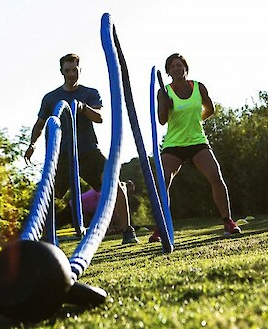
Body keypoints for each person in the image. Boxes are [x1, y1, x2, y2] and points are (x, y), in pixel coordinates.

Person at [24, 53, 137, 244]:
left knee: (114, 185)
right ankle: (40, 239)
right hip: (63, 155)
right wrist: (32, 144)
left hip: (88, 151)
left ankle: (127, 231)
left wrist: (83, 108)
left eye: (74, 70)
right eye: (67, 70)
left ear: (80, 70)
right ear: (61, 72)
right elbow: (40, 124)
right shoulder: (51, 98)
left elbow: (100, 117)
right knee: (45, 195)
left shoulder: (89, 93)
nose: (71, 74)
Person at [153, 53, 241, 240]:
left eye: (179, 65)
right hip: (173, 144)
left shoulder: (198, 87)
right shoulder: (164, 92)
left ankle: (228, 221)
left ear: (186, 67)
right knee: (162, 183)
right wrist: (166, 107)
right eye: (172, 67)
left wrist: (196, 121)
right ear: (168, 71)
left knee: (216, 177)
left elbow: (210, 109)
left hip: (197, 142)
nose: (176, 69)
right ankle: (160, 228)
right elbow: (161, 121)